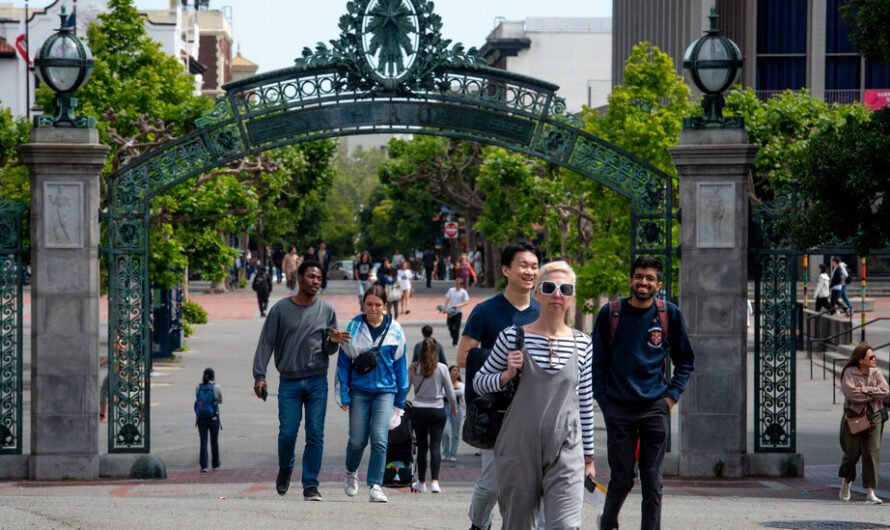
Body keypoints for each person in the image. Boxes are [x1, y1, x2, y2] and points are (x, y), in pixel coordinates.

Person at [474, 261, 595, 528]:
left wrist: (589, 456)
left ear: (573, 296)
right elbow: (479, 383)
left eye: (565, 288)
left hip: (566, 446)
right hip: (518, 445)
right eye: (549, 287)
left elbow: (584, 401)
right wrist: (505, 375)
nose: (557, 294)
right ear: (537, 293)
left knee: (565, 525)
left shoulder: (583, 343)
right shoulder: (512, 337)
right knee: (518, 524)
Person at [592, 256, 696, 530]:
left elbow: (685, 360)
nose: (643, 282)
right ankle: (608, 523)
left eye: (650, 278)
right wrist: (605, 404)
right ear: (630, 280)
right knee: (622, 477)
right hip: (619, 409)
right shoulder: (610, 313)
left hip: (654, 408)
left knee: (653, 480)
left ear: (658, 284)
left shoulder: (668, 313)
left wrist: (671, 397)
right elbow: (597, 363)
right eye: (639, 276)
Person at [457, 241, 541, 530]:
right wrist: (500, 370)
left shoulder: (543, 313)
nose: (529, 271)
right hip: (497, 411)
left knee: (535, 482)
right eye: (522, 265)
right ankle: (479, 524)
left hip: (534, 410)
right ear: (506, 269)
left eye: (533, 266)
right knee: (492, 484)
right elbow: (464, 356)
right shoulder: (485, 312)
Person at [251, 260, 351, 501]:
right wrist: (260, 376)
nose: (316, 281)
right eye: (311, 277)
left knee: (315, 433)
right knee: (287, 432)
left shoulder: (327, 311)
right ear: (299, 277)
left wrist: (333, 341)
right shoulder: (280, 310)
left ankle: (310, 484)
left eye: (319, 278)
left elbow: (329, 350)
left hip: (317, 380)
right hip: (289, 382)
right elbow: (266, 343)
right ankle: (285, 469)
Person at [337, 285, 409, 503]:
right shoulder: (353, 327)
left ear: (385, 306)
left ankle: (376, 485)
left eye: (378, 305)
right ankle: (351, 472)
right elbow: (343, 363)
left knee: (379, 439)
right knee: (357, 441)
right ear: (364, 304)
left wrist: (400, 403)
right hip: (359, 391)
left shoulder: (396, 329)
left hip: (386, 392)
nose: (373, 309)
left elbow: (401, 367)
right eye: (369, 304)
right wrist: (344, 394)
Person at [838, 342, 888, 505]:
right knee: (852, 453)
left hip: (874, 415)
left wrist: (866, 390)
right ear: (861, 360)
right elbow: (852, 395)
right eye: (871, 357)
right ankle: (846, 481)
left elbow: (885, 391)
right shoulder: (849, 372)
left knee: (872, 452)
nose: (874, 359)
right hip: (854, 416)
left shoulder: (876, 372)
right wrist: (873, 393)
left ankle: (870, 492)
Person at [409, 337, 457, 494]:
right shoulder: (442, 368)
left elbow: (404, 388)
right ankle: (435, 482)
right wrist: (453, 407)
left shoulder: (414, 368)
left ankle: (421, 482)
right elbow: (450, 392)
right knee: (436, 446)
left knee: (422, 447)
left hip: (419, 409)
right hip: (437, 409)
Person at [195, 367, 223, 472]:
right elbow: (220, 401)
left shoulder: (198, 387)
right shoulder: (216, 387)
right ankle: (215, 464)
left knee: (203, 441)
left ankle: (204, 466)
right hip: (213, 418)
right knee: (214, 441)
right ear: (213, 376)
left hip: (201, 418)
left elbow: (197, 400)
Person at [442, 365, 465, 462]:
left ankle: (453, 454)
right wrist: (454, 391)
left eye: (457, 371)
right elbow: (443, 393)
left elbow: (461, 392)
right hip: (445, 407)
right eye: (454, 370)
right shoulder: (444, 383)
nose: (456, 372)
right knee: (445, 432)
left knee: (455, 433)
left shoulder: (461, 384)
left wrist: (450, 391)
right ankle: (445, 452)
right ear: (449, 372)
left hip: (457, 408)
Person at [440, 277, 470, 347]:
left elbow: (467, 301)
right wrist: (445, 308)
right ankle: (453, 336)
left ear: (462, 285)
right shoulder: (451, 290)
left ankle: (455, 342)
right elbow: (447, 299)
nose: (456, 285)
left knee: (457, 328)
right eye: (456, 283)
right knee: (449, 326)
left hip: (458, 312)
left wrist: (459, 305)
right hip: (450, 311)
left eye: (458, 284)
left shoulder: (463, 292)